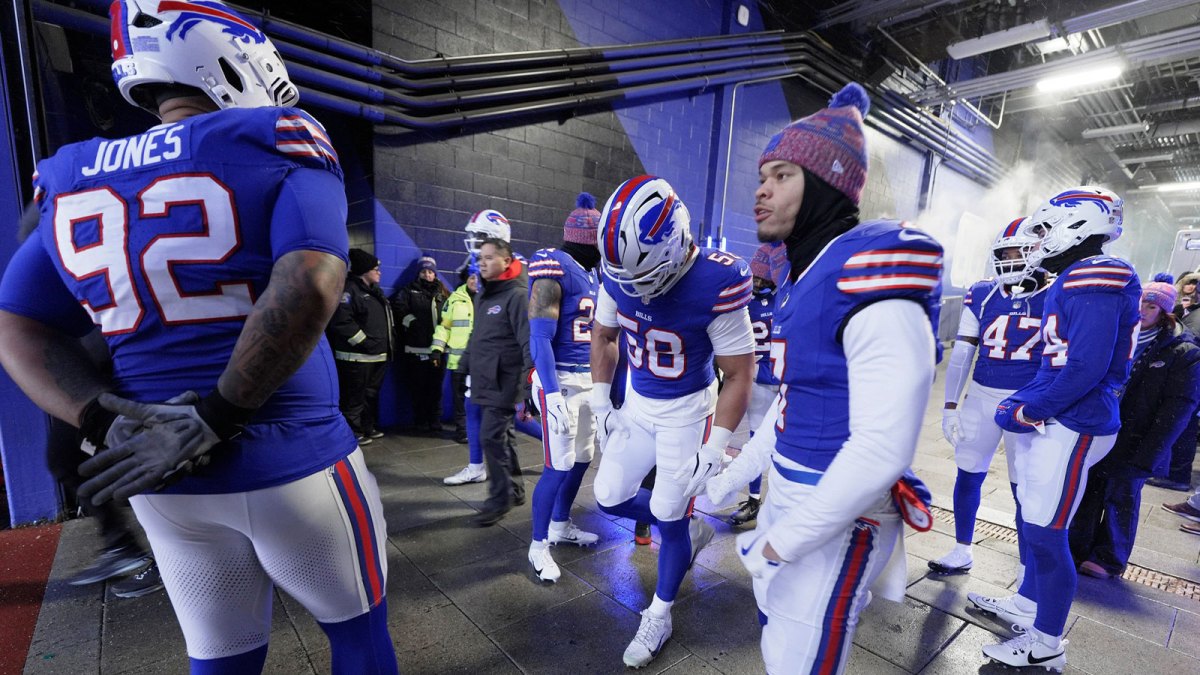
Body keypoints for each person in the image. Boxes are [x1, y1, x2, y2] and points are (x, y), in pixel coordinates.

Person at [0, 3, 398, 672]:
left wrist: (98, 415)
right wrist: (218, 414)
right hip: (293, 460)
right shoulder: (278, 136)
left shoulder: (69, 175)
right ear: (226, 53)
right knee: (358, 638)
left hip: (162, 479)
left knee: (220, 658)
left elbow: (16, 325)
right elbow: (309, 283)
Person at [696, 83, 943, 675]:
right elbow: (792, 412)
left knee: (798, 659)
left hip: (843, 508)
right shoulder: (802, 279)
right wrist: (730, 478)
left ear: (827, 181)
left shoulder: (868, 272)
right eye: (763, 174)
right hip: (791, 484)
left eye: (782, 175)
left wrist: (784, 538)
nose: (761, 189)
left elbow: (883, 447)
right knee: (772, 622)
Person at [969, 186, 1140, 671]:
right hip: (1066, 415)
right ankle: (1027, 604)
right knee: (1033, 515)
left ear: (1078, 225)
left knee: (1046, 532)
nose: (1038, 239)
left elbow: (1085, 366)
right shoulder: (1078, 272)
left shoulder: (1095, 272)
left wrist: (1028, 408)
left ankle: (1046, 643)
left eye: (1044, 228)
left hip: (1074, 420)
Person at [590, 175, 755, 668]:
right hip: (640, 404)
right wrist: (601, 400)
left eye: (641, 276)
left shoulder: (715, 281)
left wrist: (718, 441)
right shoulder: (619, 273)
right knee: (608, 495)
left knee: (667, 508)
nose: (632, 289)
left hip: (688, 410)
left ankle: (659, 613)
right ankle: (684, 530)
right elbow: (603, 336)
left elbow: (740, 372)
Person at [929, 218, 1049, 579]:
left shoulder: (1056, 294)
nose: (1009, 260)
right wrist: (950, 406)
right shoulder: (983, 292)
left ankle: (1028, 569)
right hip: (982, 395)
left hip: (1027, 402)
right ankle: (962, 549)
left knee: (1024, 488)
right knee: (967, 473)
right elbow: (964, 352)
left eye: (1018, 252)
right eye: (1005, 253)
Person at [1070, 282, 1200, 578]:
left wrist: (1153, 452)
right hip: (1102, 428)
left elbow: (1179, 408)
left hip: (1139, 439)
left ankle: (1109, 558)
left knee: (1121, 497)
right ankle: (1077, 547)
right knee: (1089, 491)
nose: (1142, 312)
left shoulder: (1183, 351)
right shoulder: (1118, 336)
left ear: (1166, 312)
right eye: (1140, 304)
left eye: (1151, 307)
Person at [526, 193, 603, 582]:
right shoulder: (553, 265)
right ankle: (538, 546)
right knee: (556, 466)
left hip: (589, 381)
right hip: (562, 380)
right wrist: (552, 393)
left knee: (582, 458)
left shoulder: (591, 273)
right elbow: (539, 336)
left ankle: (560, 523)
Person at [460, 238, 532, 526]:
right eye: (481, 258)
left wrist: (529, 385)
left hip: (504, 380)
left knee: (490, 437)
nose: (483, 262)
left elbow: (528, 343)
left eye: (490, 257)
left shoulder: (517, 296)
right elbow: (478, 334)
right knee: (504, 436)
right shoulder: (484, 294)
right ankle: (514, 491)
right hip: (485, 377)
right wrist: (464, 362)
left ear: (506, 260)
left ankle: (498, 500)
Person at [444, 210, 515, 485]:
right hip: (487, 359)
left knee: (509, 415)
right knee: (474, 406)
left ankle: (553, 448)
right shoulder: (484, 275)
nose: (473, 243)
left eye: (479, 237)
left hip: (503, 361)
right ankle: (476, 466)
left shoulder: (512, 278)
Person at [725, 242, 786, 527]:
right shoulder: (757, 301)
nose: (758, 282)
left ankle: (776, 500)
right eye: (757, 276)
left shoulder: (785, 296)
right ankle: (755, 498)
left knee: (780, 444)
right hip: (764, 382)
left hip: (782, 382)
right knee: (756, 442)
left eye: (763, 277)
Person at [326, 249, 393, 445]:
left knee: (370, 396)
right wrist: (363, 342)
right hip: (356, 357)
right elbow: (341, 322)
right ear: (364, 271)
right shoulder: (349, 291)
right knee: (354, 398)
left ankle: (367, 427)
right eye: (376, 269)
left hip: (377, 356)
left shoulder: (375, 292)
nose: (379, 272)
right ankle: (352, 433)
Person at [392, 255, 449, 434]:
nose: (427, 275)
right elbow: (399, 309)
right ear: (419, 273)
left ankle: (435, 420)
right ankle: (420, 420)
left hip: (437, 350)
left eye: (430, 271)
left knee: (435, 387)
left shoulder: (443, 293)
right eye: (424, 271)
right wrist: (413, 323)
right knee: (418, 387)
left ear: (435, 273)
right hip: (415, 349)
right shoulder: (408, 291)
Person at [433, 268, 477, 446]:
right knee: (460, 398)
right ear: (466, 279)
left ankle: (478, 430)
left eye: (478, 278)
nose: (475, 281)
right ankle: (463, 431)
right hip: (458, 361)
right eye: (472, 277)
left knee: (480, 398)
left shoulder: (490, 299)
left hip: (482, 361)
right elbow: (444, 327)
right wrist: (437, 348)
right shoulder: (454, 300)